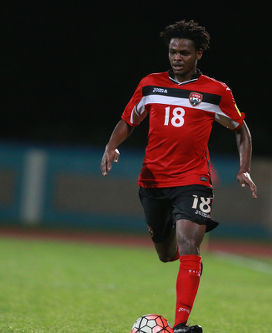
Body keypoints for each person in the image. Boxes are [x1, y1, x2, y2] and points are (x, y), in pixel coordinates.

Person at [100, 20, 257, 333]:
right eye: (173, 51)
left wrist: (243, 168)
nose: (177, 57)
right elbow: (128, 121)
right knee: (166, 252)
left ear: (198, 54)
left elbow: (240, 129)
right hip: (153, 181)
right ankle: (176, 232)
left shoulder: (216, 91)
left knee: (188, 242)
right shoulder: (150, 85)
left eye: (184, 52)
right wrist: (111, 146)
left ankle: (181, 325)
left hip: (194, 180)